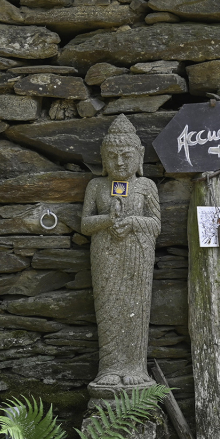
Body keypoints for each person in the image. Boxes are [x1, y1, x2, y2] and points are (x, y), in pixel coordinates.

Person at [81, 115, 162, 398]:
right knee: (109, 307)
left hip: (137, 255)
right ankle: (109, 369)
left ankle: (135, 368)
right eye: (112, 157)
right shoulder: (97, 186)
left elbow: (156, 224)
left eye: (126, 156)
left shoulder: (146, 186)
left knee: (135, 307)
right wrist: (106, 219)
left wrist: (133, 222)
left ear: (138, 157)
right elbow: (85, 224)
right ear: (104, 160)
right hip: (105, 253)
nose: (119, 163)